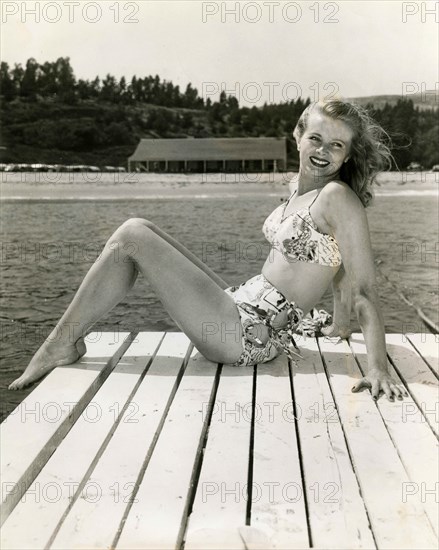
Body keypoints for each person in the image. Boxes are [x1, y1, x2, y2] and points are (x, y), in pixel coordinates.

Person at [9, 99, 407, 402]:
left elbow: (362, 287)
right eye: (316, 138)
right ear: (298, 135)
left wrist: (377, 368)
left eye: (336, 145)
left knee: (131, 234)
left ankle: (60, 343)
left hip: (248, 336)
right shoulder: (299, 189)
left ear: (348, 155)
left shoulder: (338, 197)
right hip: (243, 306)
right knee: (143, 229)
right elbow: (333, 264)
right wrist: (338, 328)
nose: (323, 151)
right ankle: (67, 340)